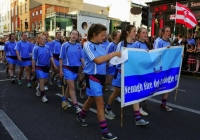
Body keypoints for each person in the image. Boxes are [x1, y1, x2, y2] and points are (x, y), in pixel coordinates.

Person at [77, 24, 121, 140]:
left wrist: (117, 60)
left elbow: (105, 61)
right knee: (100, 103)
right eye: (102, 35)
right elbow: (97, 60)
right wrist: (113, 54)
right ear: (94, 34)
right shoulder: (87, 45)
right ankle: (105, 132)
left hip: (101, 78)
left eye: (105, 35)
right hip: (92, 77)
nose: (104, 37)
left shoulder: (101, 46)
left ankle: (81, 115)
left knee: (91, 99)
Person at [105, 25, 149, 126]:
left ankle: (137, 118)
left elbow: (137, 58)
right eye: (134, 31)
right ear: (128, 33)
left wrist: (145, 54)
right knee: (116, 92)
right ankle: (108, 108)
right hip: (121, 73)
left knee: (135, 93)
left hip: (130, 74)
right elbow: (119, 58)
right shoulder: (121, 44)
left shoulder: (134, 45)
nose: (135, 33)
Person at [59, 30, 84, 113]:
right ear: (70, 35)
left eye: (76, 34)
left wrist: (83, 65)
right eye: (73, 34)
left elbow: (81, 57)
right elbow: (61, 58)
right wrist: (60, 70)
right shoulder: (64, 45)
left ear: (77, 36)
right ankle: (76, 107)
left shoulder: (79, 45)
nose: (74, 35)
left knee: (69, 87)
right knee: (72, 87)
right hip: (67, 68)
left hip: (76, 69)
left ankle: (65, 100)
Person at [32, 35, 57, 102]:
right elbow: (34, 59)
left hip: (46, 66)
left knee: (45, 81)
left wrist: (54, 64)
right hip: (39, 66)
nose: (43, 40)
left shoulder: (47, 47)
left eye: (44, 39)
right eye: (42, 39)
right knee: (42, 80)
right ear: (39, 40)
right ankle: (43, 96)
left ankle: (39, 88)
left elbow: (51, 56)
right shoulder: (36, 48)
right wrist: (33, 68)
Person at [134, 27, 151, 116]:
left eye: (146, 33)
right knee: (139, 88)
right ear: (139, 34)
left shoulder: (148, 44)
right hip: (138, 70)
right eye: (143, 33)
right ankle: (139, 108)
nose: (145, 34)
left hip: (146, 69)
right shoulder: (136, 44)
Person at [156, 26, 173, 111]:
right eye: (167, 31)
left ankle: (163, 103)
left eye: (169, 31)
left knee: (168, 84)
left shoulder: (169, 42)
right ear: (163, 32)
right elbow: (155, 53)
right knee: (155, 85)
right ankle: (141, 100)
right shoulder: (159, 42)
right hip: (160, 68)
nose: (168, 33)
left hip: (168, 67)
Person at [105, 31, 121, 102]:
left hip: (116, 67)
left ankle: (116, 95)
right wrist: (106, 65)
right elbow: (107, 55)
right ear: (114, 37)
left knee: (116, 83)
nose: (120, 36)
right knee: (108, 82)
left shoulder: (120, 45)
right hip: (110, 66)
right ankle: (100, 87)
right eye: (118, 35)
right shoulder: (111, 45)